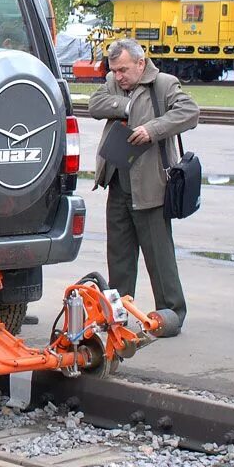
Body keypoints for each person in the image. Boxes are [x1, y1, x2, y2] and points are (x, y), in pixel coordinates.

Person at [89, 39, 200, 334]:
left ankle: (171, 314)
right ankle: (118, 314)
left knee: (159, 256)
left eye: (123, 69)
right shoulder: (115, 83)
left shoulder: (163, 84)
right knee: (119, 257)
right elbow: (94, 105)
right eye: (114, 71)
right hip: (117, 183)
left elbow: (189, 111)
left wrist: (151, 129)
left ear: (141, 63)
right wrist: (127, 105)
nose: (118, 76)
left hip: (152, 186)